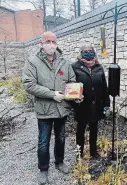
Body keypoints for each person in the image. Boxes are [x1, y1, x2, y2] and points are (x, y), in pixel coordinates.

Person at [22, 31, 77, 184]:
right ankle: (43, 169)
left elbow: (71, 81)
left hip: (61, 108)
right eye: (48, 42)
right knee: (43, 141)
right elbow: (29, 85)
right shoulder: (32, 61)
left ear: (56, 43)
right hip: (45, 109)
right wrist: (51, 94)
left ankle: (59, 162)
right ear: (41, 44)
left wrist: (76, 94)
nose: (51, 45)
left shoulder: (64, 62)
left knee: (60, 138)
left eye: (53, 42)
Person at [72, 45, 110, 158]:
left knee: (94, 128)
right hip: (81, 105)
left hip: (96, 104)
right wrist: (74, 101)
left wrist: (106, 104)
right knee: (80, 130)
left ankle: (93, 151)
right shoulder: (75, 66)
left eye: (90, 51)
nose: (88, 53)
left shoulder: (98, 67)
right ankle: (79, 152)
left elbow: (104, 87)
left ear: (94, 52)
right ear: (81, 53)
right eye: (85, 51)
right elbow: (71, 85)